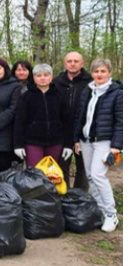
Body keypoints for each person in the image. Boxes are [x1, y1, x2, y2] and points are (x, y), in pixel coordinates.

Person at [74, 57, 122, 232]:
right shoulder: (88, 91)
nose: (99, 74)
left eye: (102, 71)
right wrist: (76, 139)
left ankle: (111, 214)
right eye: (96, 71)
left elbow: (120, 121)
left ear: (109, 73)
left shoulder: (117, 93)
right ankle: (100, 209)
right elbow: (80, 116)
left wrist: (116, 146)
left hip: (105, 142)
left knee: (98, 175)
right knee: (90, 176)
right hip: (86, 141)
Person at [52, 51, 92, 189]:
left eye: (76, 61)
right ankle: (63, 198)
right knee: (62, 167)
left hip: (84, 131)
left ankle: (80, 201)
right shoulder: (56, 82)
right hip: (62, 132)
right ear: (65, 63)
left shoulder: (91, 82)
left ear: (82, 64)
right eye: (69, 61)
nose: (72, 64)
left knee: (84, 169)